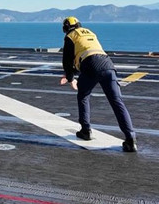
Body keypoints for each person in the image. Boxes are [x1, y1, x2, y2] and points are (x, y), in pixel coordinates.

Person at [59, 16, 137, 152]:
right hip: (108, 64)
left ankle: (85, 130)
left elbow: (67, 60)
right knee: (117, 102)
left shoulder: (71, 36)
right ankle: (130, 138)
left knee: (83, 95)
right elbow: (88, 51)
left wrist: (70, 78)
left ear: (66, 27)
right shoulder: (90, 32)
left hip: (91, 65)